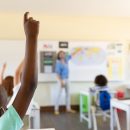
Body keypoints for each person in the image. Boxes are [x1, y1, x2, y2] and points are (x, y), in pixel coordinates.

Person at [0, 12, 39, 130]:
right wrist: (31, 37)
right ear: (2, 107)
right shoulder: (4, 124)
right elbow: (28, 86)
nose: (2, 85)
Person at [54, 51, 76, 115]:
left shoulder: (66, 60)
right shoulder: (58, 63)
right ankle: (56, 109)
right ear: (58, 55)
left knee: (68, 94)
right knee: (59, 94)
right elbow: (57, 74)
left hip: (67, 79)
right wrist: (61, 82)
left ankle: (68, 109)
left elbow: (72, 55)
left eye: (63, 54)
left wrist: (78, 50)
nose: (62, 55)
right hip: (61, 79)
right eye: (60, 54)